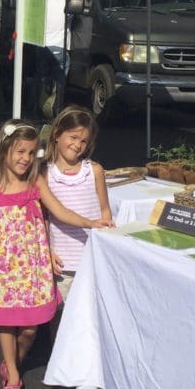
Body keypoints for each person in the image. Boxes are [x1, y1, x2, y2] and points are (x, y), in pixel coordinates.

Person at [0, 121, 112, 389]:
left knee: (29, 328)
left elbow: (60, 212)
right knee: (5, 322)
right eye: (19, 152)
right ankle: (13, 374)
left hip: (32, 270)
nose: (25, 159)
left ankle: (14, 359)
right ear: (3, 151)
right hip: (4, 270)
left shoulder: (36, 183)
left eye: (30, 153)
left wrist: (90, 223)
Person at [43, 106, 112, 339]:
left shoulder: (94, 170)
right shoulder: (46, 174)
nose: (78, 145)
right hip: (63, 260)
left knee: (89, 314)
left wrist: (105, 234)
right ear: (57, 134)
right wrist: (47, 251)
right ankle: (59, 363)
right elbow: (46, 217)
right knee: (60, 315)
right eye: (73, 137)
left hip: (91, 256)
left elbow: (104, 210)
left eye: (84, 140)